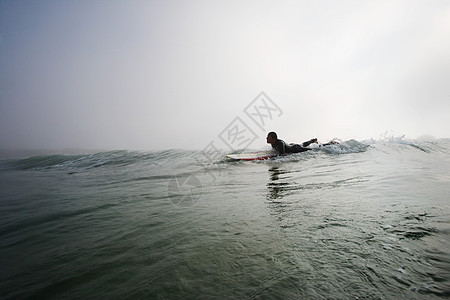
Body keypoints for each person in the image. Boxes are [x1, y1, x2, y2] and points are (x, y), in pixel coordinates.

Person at [266, 131, 338, 155]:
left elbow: (282, 155)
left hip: (296, 149)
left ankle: (329, 143)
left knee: (314, 149)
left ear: (273, 138)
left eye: (268, 137)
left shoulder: (280, 143)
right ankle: (312, 140)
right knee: (302, 144)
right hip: (292, 145)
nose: (266, 138)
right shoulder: (273, 143)